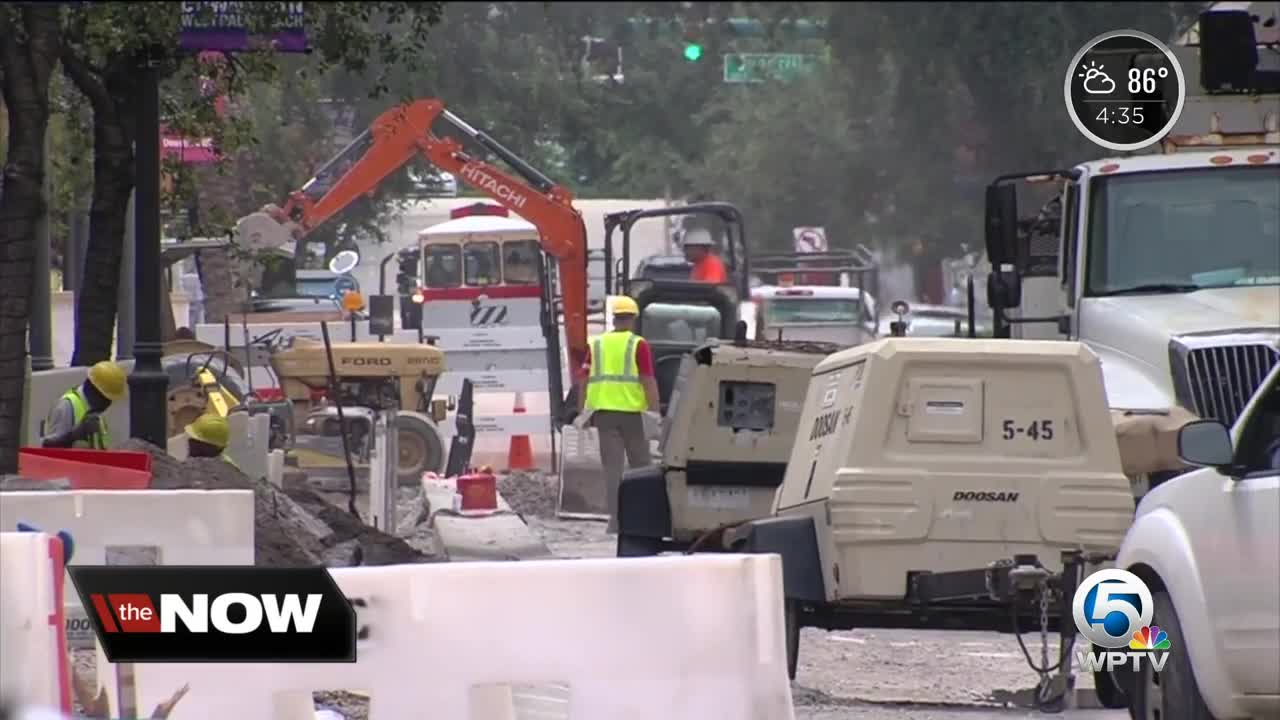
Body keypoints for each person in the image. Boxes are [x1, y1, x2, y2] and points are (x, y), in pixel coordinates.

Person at [578, 295, 661, 533]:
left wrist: (581, 410)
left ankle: (615, 522)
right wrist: (655, 413)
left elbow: (583, 379)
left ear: (614, 319)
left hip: (604, 414)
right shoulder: (638, 344)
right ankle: (641, 519)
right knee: (641, 468)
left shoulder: (596, 344)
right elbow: (647, 380)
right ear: (633, 319)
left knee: (612, 470)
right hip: (632, 415)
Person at [41, 361, 127, 449]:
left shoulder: (95, 411)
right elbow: (48, 447)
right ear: (95, 392)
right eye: (106, 399)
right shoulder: (66, 406)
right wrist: (74, 435)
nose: (108, 404)